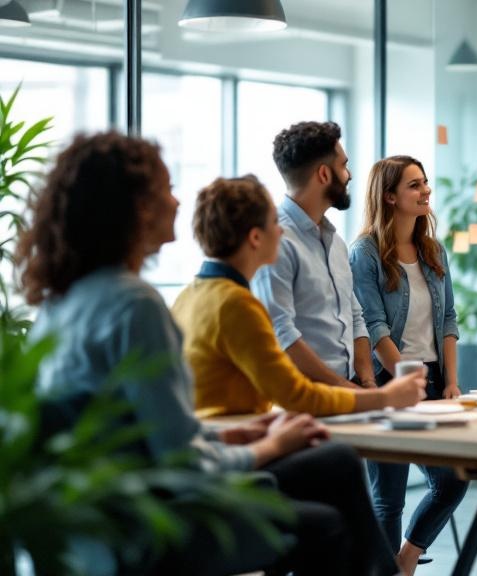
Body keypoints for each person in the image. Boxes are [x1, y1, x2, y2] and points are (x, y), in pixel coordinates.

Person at [17, 131, 409, 575]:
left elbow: (140, 433)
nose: (178, 203)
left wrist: (230, 437)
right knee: (327, 513)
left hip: (107, 512)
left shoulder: (61, 305)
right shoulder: (136, 305)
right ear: (134, 209)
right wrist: (271, 445)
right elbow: (183, 463)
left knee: (333, 463)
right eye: (166, 189)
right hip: (157, 515)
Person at [171, 175, 424, 418]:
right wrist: (385, 398)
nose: (280, 232)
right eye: (274, 223)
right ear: (255, 237)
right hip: (231, 447)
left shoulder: (188, 297)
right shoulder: (236, 304)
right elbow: (296, 395)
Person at [349, 155, 468, 575]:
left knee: (454, 480)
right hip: (388, 381)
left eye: (425, 182)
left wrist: (450, 380)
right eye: (415, 185)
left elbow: (449, 319)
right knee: (389, 499)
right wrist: (404, 381)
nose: (426, 191)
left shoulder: (433, 250)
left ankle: (406, 559)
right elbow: (374, 326)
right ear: (390, 196)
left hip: (432, 382)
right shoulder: (364, 253)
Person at [252, 120, 378, 391]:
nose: (350, 174)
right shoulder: (275, 241)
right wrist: (345, 390)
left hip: (346, 394)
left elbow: (355, 317)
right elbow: (280, 334)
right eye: (343, 165)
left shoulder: (336, 243)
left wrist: (366, 382)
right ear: (323, 175)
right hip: (302, 403)